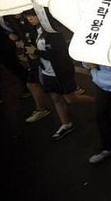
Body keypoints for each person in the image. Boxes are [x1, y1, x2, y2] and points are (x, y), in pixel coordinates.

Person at [23, 9, 94, 140]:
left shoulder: (54, 33)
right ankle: (66, 124)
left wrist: (37, 53)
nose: (29, 18)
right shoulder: (35, 31)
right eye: (27, 16)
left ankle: (98, 104)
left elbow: (59, 55)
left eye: (32, 15)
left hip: (61, 72)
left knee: (71, 98)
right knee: (56, 98)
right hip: (47, 72)